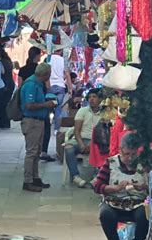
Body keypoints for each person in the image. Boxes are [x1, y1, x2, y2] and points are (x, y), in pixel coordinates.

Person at [93, 133, 149, 240]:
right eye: (126, 154)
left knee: (144, 214)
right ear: (120, 151)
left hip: (137, 204)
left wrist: (144, 187)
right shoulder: (111, 163)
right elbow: (97, 185)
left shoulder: (144, 164)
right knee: (105, 214)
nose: (130, 158)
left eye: (133, 155)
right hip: (114, 203)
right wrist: (114, 188)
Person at [20, 63, 57, 192]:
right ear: (45, 74)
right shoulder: (31, 84)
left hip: (39, 121)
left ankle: (35, 177)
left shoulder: (38, 84)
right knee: (31, 152)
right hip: (32, 121)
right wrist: (46, 105)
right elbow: (29, 105)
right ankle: (28, 180)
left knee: (37, 151)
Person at [65, 88, 103, 188]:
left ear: (100, 99)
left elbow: (103, 133)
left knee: (104, 149)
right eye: (90, 97)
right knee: (68, 148)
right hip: (80, 139)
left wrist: (92, 144)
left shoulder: (104, 113)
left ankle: (97, 176)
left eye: (94, 97)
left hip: (97, 141)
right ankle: (75, 176)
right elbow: (76, 131)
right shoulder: (82, 111)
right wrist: (82, 144)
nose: (91, 99)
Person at [48, 50, 73, 131]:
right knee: (58, 109)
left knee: (48, 106)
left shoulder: (48, 58)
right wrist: (70, 88)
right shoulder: (63, 61)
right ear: (60, 51)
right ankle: (56, 129)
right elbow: (67, 75)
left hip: (50, 86)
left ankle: (47, 125)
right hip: (60, 86)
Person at [0, 46, 16, 129]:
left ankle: (3, 122)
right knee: (5, 104)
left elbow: (3, 74)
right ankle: (6, 122)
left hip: (5, 84)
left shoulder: (1, 63)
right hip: (10, 83)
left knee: (1, 104)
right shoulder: (8, 61)